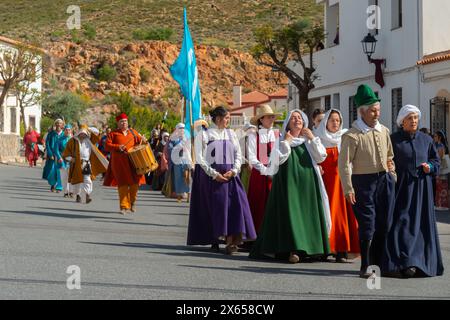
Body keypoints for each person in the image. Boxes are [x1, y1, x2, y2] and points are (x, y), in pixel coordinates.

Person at [249, 109, 332, 264]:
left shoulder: (308, 140)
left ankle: (311, 248)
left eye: (299, 117)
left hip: (308, 184)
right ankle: (293, 249)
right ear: (288, 123)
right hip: (288, 183)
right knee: (291, 214)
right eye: (293, 118)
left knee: (307, 213)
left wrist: (313, 138)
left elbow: (321, 156)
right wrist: (286, 142)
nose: (297, 120)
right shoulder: (281, 139)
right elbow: (277, 159)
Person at [338, 84, 396, 278]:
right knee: (367, 225)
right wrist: (348, 188)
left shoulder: (384, 131)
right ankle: (366, 265)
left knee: (385, 223)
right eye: (372, 110)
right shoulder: (352, 135)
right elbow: (344, 164)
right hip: (363, 183)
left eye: (378, 109)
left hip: (384, 181)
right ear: (362, 111)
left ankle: (379, 263)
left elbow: (390, 156)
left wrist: (392, 173)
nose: (376, 113)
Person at [383, 105, 444, 278]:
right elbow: (386, 158)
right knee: (401, 223)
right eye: (410, 118)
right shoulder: (393, 139)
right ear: (402, 121)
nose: (414, 121)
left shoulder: (426, 139)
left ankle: (417, 262)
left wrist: (430, 166)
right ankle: (400, 261)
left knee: (420, 225)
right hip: (401, 188)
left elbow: (436, 160)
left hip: (421, 190)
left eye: (416, 118)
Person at [187, 106, 256, 254]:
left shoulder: (231, 134)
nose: (228, 121)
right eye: (226, 118)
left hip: (231, 177)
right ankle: (216, 238)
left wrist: (234, 170)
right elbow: (199, 158)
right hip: (211, 179)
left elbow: (238, 154)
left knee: (237, 205)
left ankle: (232, 241)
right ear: (218, 119)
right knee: (217, 207)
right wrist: (214, 174)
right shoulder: (204, 135)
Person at [316, 109, 360, 263]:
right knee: (325, 213)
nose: (335, 123)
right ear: (326, 122)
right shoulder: (318, 138)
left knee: (341, 215)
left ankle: (341, 249)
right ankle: (325, 248)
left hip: (341, 183)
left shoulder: (345, 137)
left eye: (338, 121)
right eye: (332, 120)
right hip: (325, 183)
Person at [247, 104, 281, 233]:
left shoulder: (277, 134)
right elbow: (252, 157)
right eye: (268, 117)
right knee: (259, 204)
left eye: (272, 117)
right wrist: (265, 171)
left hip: (274, 173)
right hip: (259, 175)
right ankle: (256, 235)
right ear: (261, 119)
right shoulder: (254, 135)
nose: (271, 120)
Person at [104, 113, 147, 214]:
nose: (124, 123)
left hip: (134, 162)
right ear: (118, 123)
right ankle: (123, 206)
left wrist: (144, 140)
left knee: (135, 184)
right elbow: (107, 146)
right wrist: (118, 147)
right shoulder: (113, 134)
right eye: (122, 122)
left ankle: (132, 202)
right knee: (122, 184)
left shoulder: (133, 132)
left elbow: (141, 142)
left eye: (125, 121)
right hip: (119, 164)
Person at [63, 125, 108, 203]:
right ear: (79, 133)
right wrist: (71, 159)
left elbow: (97, 135)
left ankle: (87, 194)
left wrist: (88, 129)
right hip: (76, 164)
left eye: (85, 133)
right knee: (77, 181)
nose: (83, 134)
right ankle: (78, 195)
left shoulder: (89, 140)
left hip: (86, 163)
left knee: (87, 179)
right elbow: (66, 153)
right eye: (82, 133)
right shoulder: (72, 141)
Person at [167, 123, 192, 203]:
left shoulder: (187, 138)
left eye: (183, 128)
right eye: (180, 128)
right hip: (177, 161)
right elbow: (170, 149)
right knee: (178, 178)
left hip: (186, 159)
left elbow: (191, 148)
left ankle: (187, 193)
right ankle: (179, 194)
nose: (182, 129)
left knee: (187, 177)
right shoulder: (172, 139)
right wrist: (178, 149)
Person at [42, 119, 65, 192]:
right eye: (57, 123)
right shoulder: (51, 134)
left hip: (60, 155)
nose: (58, 125)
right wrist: (50, 154)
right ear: (55, 124)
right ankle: (53, 185)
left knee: (60, 171)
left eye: (60, 123)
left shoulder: (64, 134)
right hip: (52, 155)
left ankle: (58, 186)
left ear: (62, 125)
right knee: (52, 171)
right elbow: (48, 144)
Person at [433, 130, 449, 210]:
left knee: (440, 186)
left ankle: (441, 205)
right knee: (442, 186)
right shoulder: (441, 145)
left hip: (441, 168)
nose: (434, 137)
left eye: (435, 136)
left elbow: (439, 158)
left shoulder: (440, 146)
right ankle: (443, 204)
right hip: (443, 168)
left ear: (439, 137)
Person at [56, 124, 74, 198]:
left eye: (69, 130)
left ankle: (71, 191)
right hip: (62, 159)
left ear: (71, 131)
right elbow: (56, 149)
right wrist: (59, 157)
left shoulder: (73, 140)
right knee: (64, 177)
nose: (67, 131)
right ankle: (66, 192)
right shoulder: (60, 139)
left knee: (71, 176)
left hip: (71, 160)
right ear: (64, 130)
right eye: (66, 130)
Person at [239, 123, 257, 193]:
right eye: (250, 129)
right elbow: (240, 154)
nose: (252, 130)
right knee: (245, 187)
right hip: (245, 167)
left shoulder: (256, 139)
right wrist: (248, 163)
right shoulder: (242, 140)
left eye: (253, 128)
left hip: (255, 167)